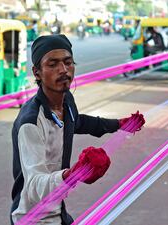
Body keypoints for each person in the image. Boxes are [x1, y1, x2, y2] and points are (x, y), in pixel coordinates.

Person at [10, 34, 145, 224]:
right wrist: (72, 174)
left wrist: (119, 124)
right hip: (33, 216)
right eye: (53, 64)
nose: (63, 70)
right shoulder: (31, 123)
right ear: (37, 72)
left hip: (57, 210)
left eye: (68, 62)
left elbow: (77, 122)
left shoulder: (66, 101)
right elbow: (33, 185)